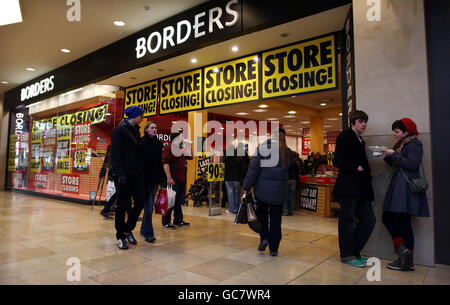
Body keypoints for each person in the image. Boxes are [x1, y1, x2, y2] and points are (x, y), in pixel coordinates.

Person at [381, 118, 430, 271]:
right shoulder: (403, 144)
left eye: (397, 131)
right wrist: (387, 156)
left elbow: (412, 164)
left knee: (402, 221)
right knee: (389, 217)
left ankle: (407, 259)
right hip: (399, 186)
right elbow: (398, 163)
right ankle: (404, 252)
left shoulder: (414, 143)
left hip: (406, 188)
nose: (395, 135)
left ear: (406, 131)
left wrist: (393, 154)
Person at [332, 110, 376, 267]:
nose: (364, 124)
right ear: (352, 123)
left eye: (365, 121)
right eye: (360, 121)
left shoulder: (360, 140)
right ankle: (347, 255)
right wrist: (355, 167)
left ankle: (355, 251)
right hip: (348, 187)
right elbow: (337, 160)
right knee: (348, 221)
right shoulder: (345, 136)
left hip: (361, 188)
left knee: (369, 220)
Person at [243, 128, 292, 257]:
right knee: (276, 220)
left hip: (262, 191)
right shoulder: (287, 153)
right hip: (279, 193)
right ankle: (274, 248)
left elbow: (253, 170)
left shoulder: (263, 149)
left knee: (263, 217)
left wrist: (247, 186)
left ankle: (264, 237)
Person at [111, 106, 146, 250]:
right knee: (121, 206)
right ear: (135, 116)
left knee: (140, 201)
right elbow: (116, 154)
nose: (142, 118)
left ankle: (128, 228)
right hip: (123, 175)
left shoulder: (137, 131)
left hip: (137, 173)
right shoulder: (118, 131)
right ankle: (120, 236)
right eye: (140, 116)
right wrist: (120, 174)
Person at [140, 121, 165, 243]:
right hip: (144, 180)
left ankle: (144, 230)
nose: (155, 129)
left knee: (149, 207)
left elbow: (159, 163)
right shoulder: (141, 142)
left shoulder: (158, 144)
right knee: (149, 207)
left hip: (154, 179)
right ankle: (148, 234)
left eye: (156, 128)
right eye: (152, 128)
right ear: (146, 130)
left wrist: (163, 179)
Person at [161, 131, 193, 229]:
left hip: (181, 178)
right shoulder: (169, 147)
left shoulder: (180, 148)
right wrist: (168, 177)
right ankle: (166, 222)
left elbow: (190, 156)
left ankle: (178, 220)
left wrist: (189, 145)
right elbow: (165, 163)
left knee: (179, 201)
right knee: (170, 200)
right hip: (173, 178)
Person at [224, 144, 244, 214]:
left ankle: (231, 209)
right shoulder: (239, 159)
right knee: (236, 194)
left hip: (228, 179)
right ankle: (236, 208)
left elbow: (224, 169)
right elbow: (242, 170)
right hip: (237, 179)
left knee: (230, 194)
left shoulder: (225, 159)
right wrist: (241, 180)